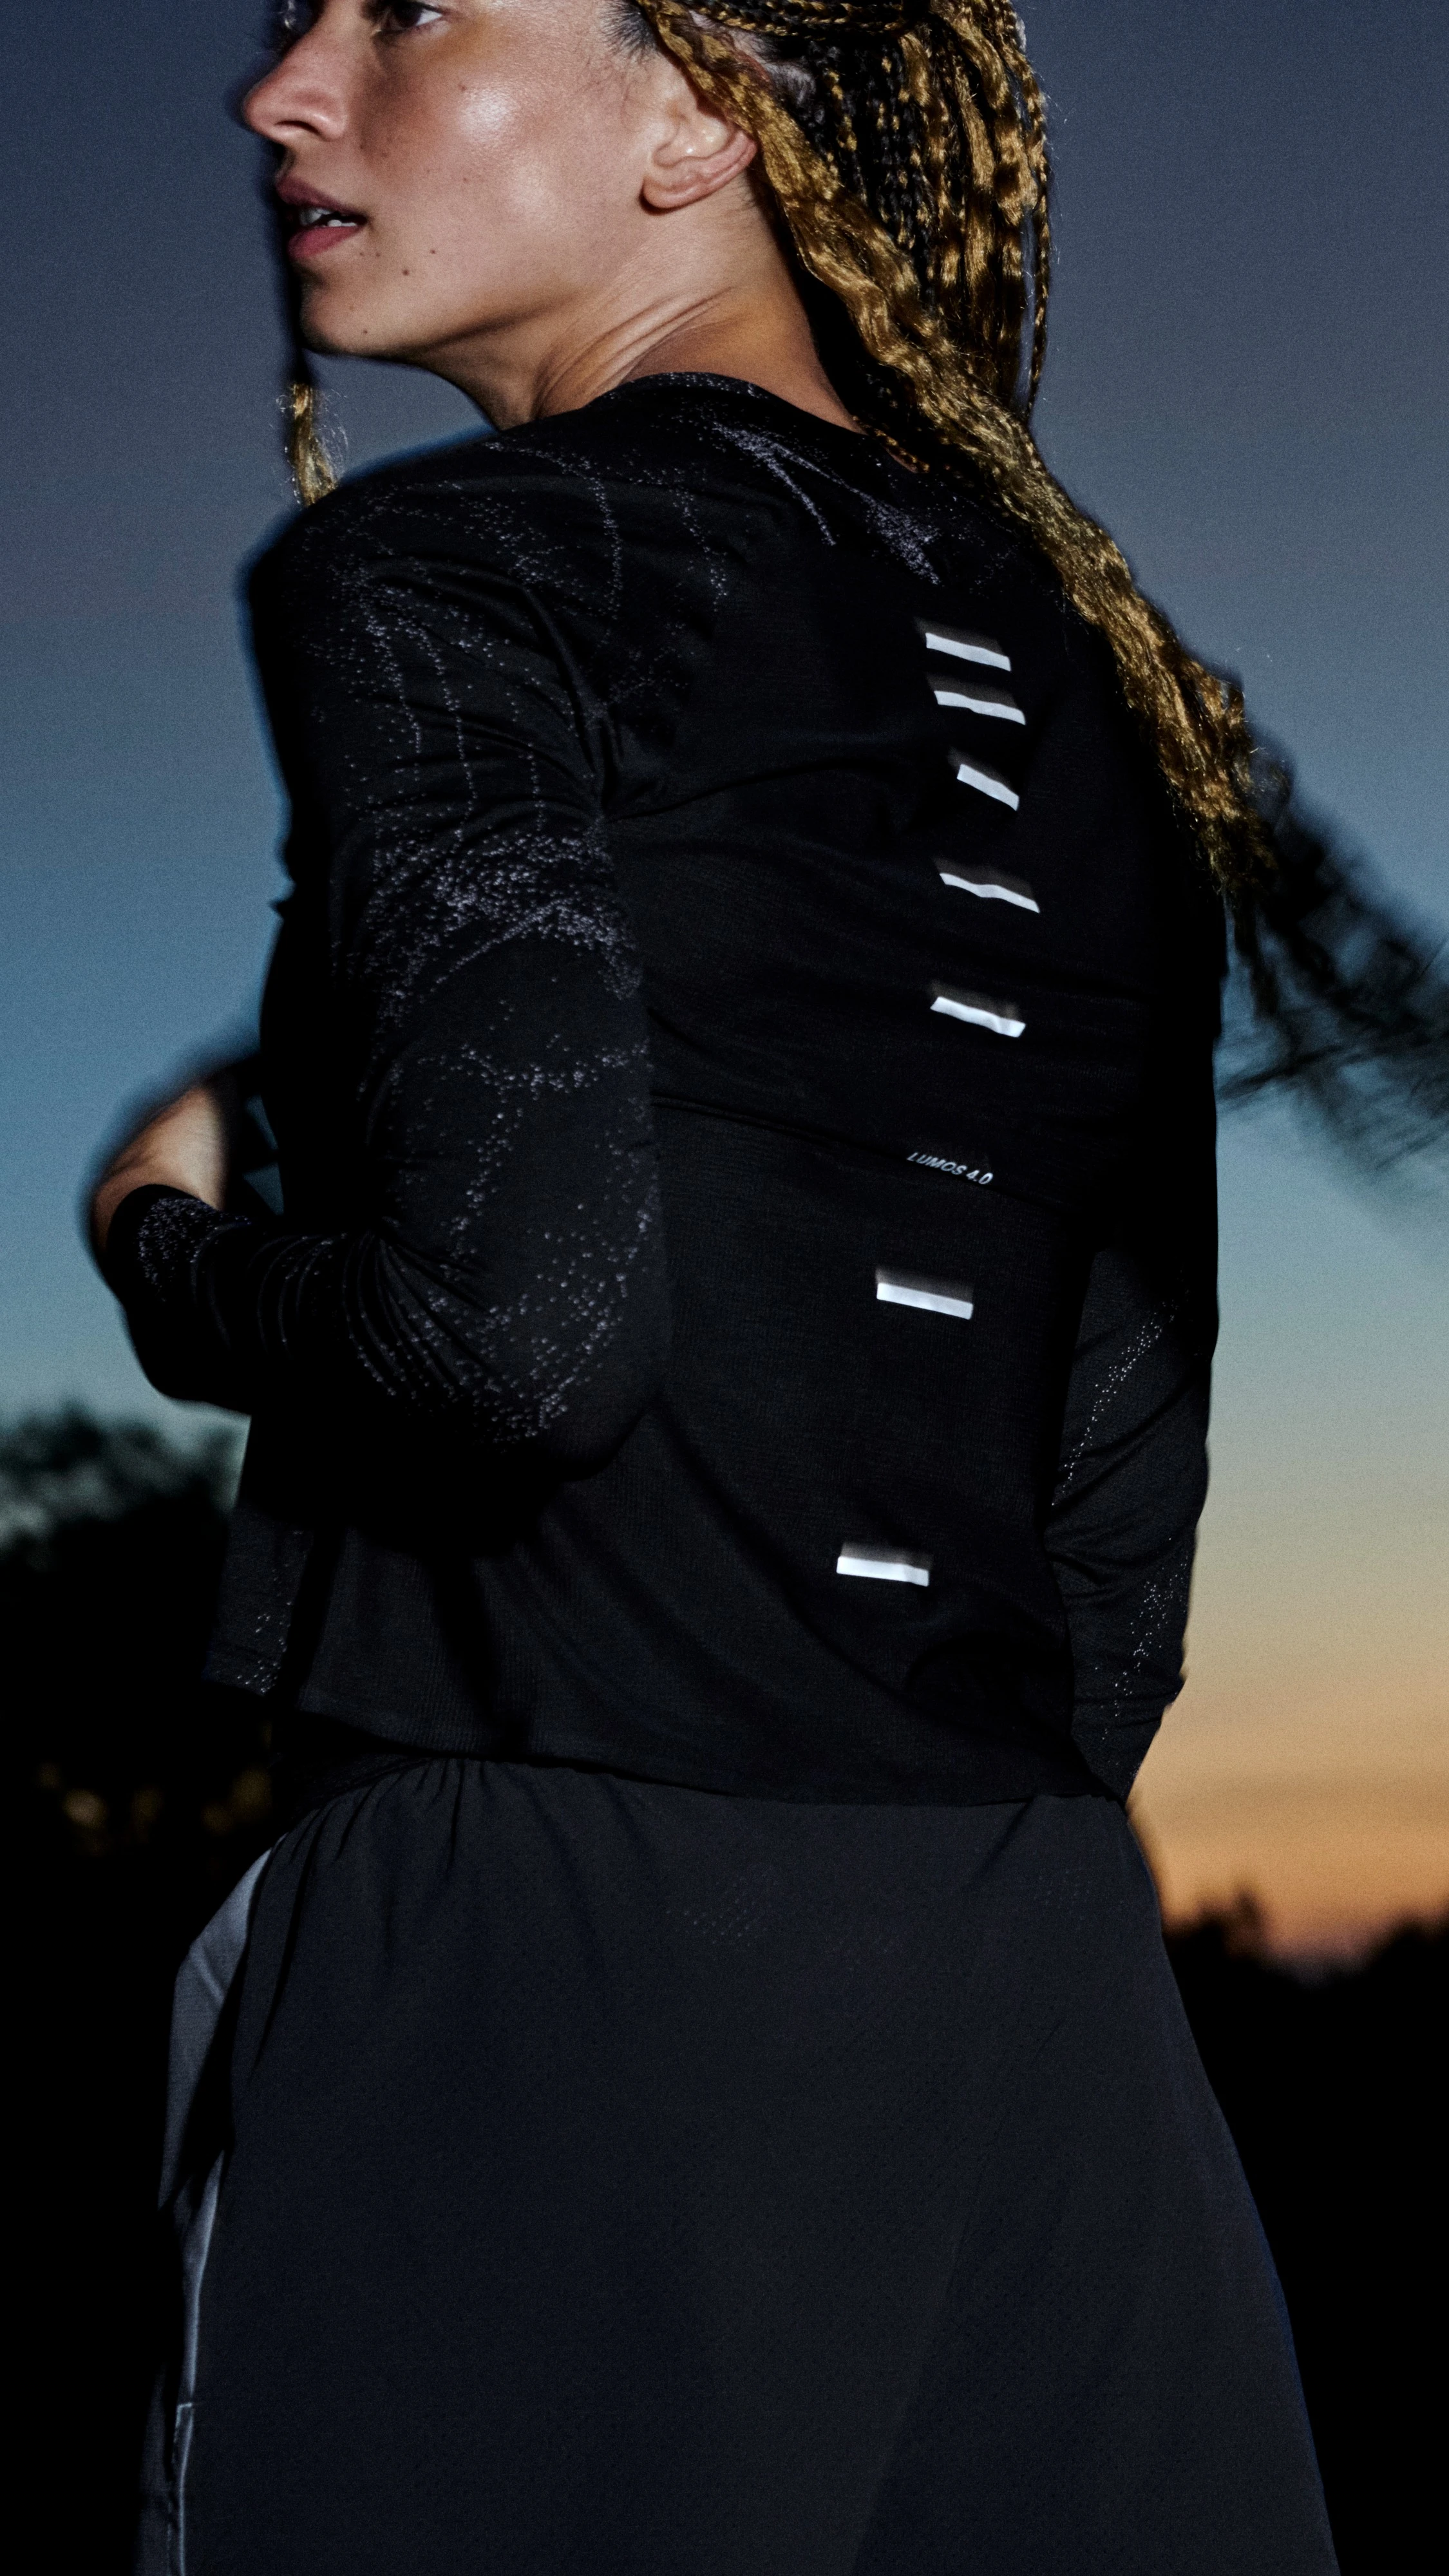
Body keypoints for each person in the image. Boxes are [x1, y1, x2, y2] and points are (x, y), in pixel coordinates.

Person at [89, 3, 1355, 2569]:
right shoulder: (1112, 675)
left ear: (702, 114)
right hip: (1035, 1999)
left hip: (537, 1978)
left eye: (409, 8)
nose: (283, 88)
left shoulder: (451, 565)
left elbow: (517, 1342)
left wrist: (164, 1243)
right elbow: (1120, 1487)